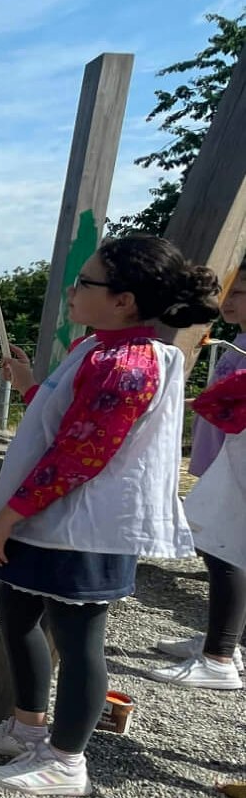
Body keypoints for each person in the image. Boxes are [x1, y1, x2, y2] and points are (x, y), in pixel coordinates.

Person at [0, 236, 220, 796]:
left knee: (79, 635)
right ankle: (30, 726)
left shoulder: (128, 363)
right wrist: (32, 385)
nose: (73, 291)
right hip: (56, 517)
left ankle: (65, 758)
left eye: (86, 282)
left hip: (84, 524)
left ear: (124, 299)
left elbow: (80, 453)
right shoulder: (98, 348)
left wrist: (8, 515)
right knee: (15, 609)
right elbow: (67, 418)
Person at [141, 264, 246, 691]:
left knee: (224, 549)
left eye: (241, 290)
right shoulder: (237, 339)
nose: (230, 298)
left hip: (237, 461)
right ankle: (224, 639)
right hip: (225, 456)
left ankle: (219, 657)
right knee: (218, 545)